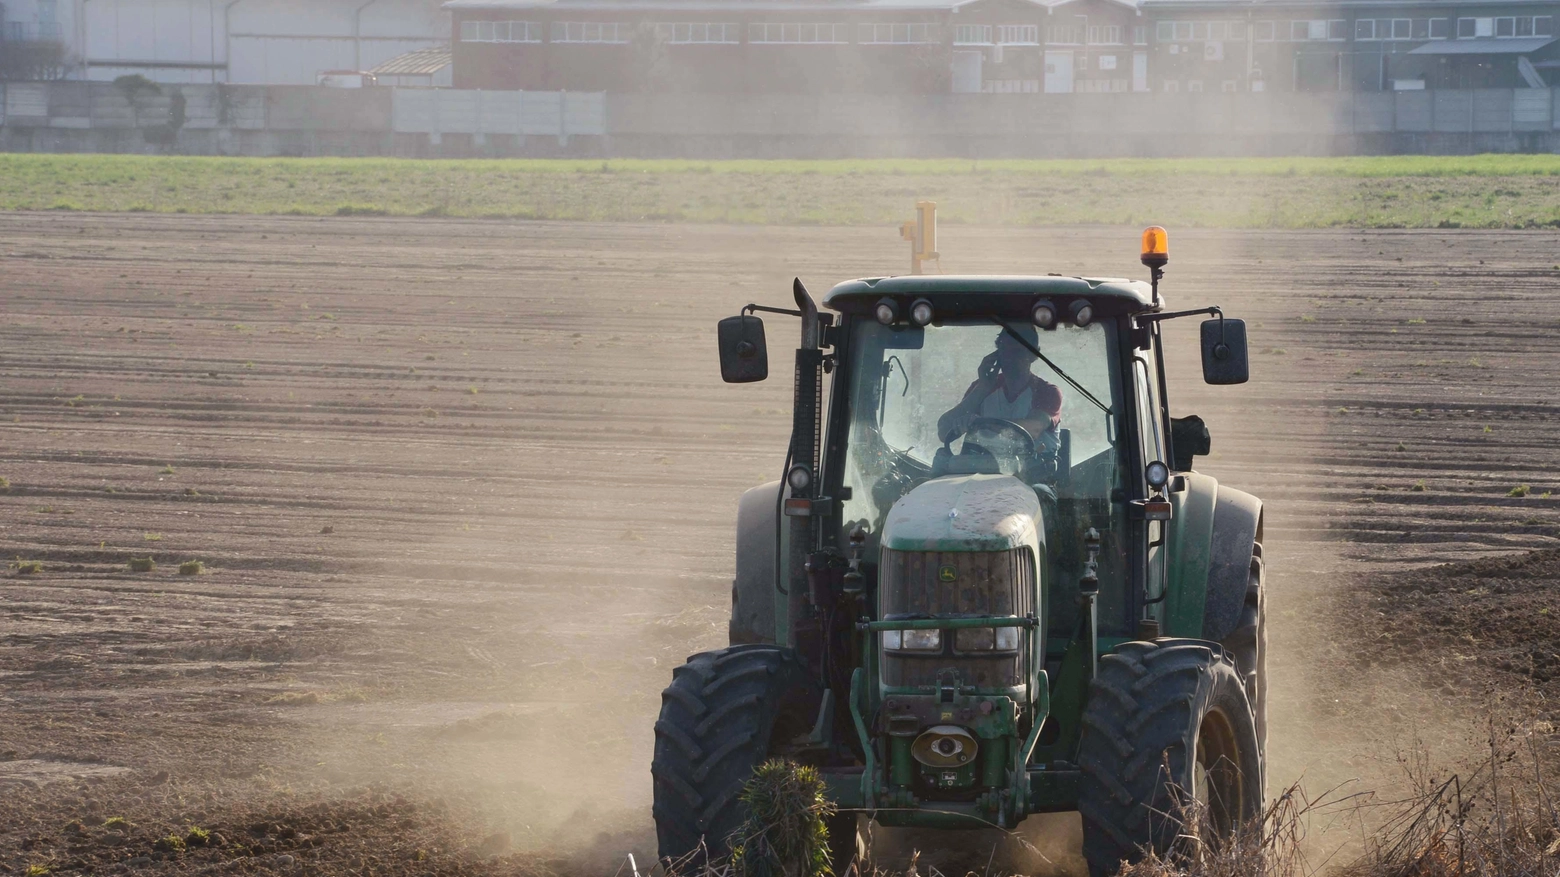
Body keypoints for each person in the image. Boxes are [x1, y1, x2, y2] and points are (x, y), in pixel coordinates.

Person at [936, 325, 1063, 447]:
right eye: (1004, 350)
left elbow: (1033, 428)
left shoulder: (1047, 392)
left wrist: (982, 423)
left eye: (1017, 351)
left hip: (1036, 468)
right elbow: (943, 432)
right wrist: (982, 389)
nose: (1009, 357)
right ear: (996, 354)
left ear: (1033, 355)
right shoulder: (982, 388)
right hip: (982, 467)